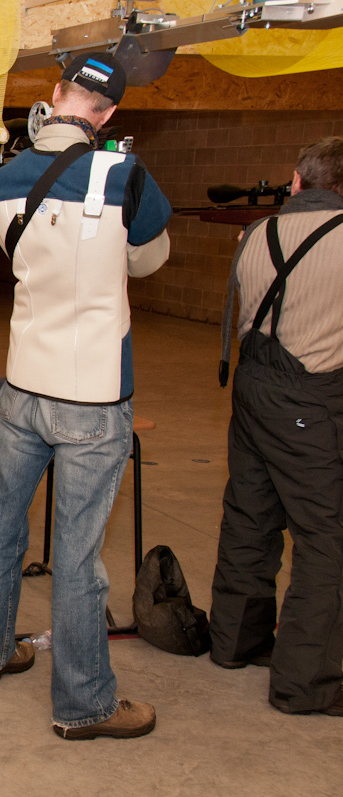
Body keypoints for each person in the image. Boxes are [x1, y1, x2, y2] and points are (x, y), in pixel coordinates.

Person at [0, 53, 171, 740]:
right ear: (108, 115)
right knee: (78, 555)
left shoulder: (0, 180)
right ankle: (84, 704)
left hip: (23, 384)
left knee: (0, 527)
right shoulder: (127, 177)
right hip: (93, 393)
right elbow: (150, 256)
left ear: (55, 97)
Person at [210, 137, 343, 716]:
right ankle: (307, 684)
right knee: (326, 539)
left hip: (253, 390)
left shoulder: (255, 235)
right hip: (311, 401)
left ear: (296, 181)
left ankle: (235, 643)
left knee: (249, 516)